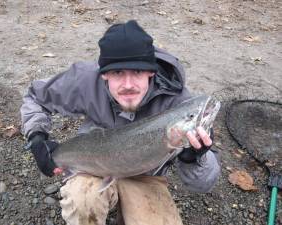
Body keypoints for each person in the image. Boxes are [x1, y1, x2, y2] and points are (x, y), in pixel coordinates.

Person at [21, 20, 220, 225]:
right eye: (118, 73)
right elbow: (35, 96)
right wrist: (37, 137)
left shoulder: (178, 102)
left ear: (151, 71)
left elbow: (202, 185)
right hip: (92, 167)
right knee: (83, 202)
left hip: (145, 177)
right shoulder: (84, 80)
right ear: (104, 73)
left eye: (137, 72)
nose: (128, 84)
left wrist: (194, 159)